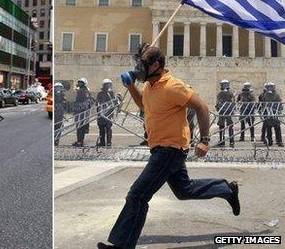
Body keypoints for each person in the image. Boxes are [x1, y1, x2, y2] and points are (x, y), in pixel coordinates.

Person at [97, 45, 240, 249]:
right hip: (160, 148)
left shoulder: (173, 86)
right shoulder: (150, 86)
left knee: (137, 195)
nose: (138, 68)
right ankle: (227, 189)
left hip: (170, 150)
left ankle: (121, 246)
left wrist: (204, 140)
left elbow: (202, 107)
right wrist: (131, 87)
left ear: (155, 65)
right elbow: (144, 106)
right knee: (184, 190)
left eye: (142, 64)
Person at [72, 77, 92, 147]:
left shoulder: (83, 91)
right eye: (79, 83)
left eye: (81, 83)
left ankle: (80, 142)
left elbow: (82, 102)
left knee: (80, 127)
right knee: (81, 127)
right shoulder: (85, 90)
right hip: (82, 111)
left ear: (84, 84)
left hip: (81, 112)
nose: (79, 84)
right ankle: (80, 141)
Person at [96, 78, 116, 146]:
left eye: (109, 85)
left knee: (108, 128)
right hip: (101, 114)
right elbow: (97, 103)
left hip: (109, 114)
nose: (108, 86)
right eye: (107, 85)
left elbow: (114, 103)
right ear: (104, 86)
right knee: (101, 129)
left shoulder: (111, 93)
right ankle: (102, 142)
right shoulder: (100, 94)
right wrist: (99, 112)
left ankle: (109, 142)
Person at [262, 82, 283, 147]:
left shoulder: (276, 95)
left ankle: (279, 141)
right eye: (269, 87)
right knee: (268, 129)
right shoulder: (265, 95)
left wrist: (278, 110)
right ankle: (270, 141)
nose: (270, 88)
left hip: (275, 113)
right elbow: (264, 104)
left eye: (271, 87)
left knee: (277, 129)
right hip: (268, 114)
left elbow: (279, 103)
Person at [216, 80, 235, 148]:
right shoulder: (230, 94)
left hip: (223, 112)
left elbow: (218, 104)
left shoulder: (220, 94)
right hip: (227, 112)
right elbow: (233, 103)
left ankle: (223, 141)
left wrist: (218, 109)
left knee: (222, 127)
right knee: (228, 127)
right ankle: (231, 141)